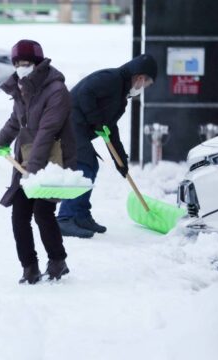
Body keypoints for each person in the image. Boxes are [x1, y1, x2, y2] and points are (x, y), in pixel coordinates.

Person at [0, 40, 77, 284]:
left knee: (43, 212)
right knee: (19, 215)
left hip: (53, 159)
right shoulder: (22, 88)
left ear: (37, 63)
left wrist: (33, 170)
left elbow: (47, 132)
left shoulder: (56, 90)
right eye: (16, 63)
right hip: (27, 159)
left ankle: (58, 261)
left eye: (25, 63)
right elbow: (15, 121)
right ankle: (29, 267)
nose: (20, 68)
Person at [56, 54, 157, 238]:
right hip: (68, 121)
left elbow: (111, 129)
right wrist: (97, 122)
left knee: (91, 166)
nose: (144, 89)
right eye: (147, 85)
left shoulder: (120, 97)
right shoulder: (111, 79)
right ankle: (65, 218)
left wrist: (121, 161)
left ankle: (80, 215)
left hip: (78, 126)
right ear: (141, 78)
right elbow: (86, 93)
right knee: (83, 165)